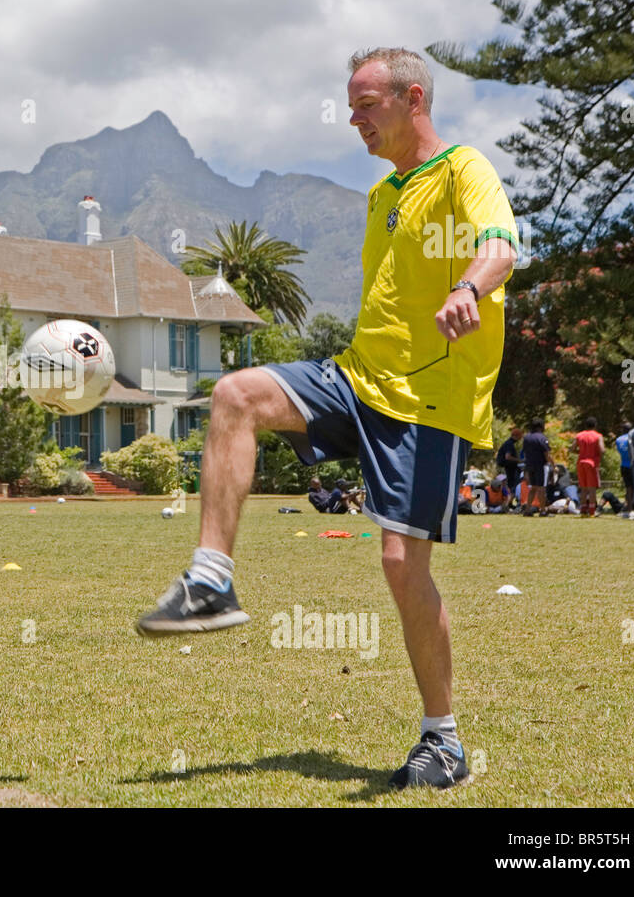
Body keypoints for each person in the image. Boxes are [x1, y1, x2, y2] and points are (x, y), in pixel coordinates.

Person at [136, 48, 519, 790]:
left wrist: (469, 288)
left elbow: (500, 245)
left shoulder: (463, 170)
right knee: (236, 396)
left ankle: (443, 742)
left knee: (402, 567)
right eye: (350, 106)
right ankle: (211, 579)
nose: (353, 119)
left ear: (413, 98)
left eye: (366, 103)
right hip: (355, 378)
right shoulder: (383, 195)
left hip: (429, 402)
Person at [572, 417, 604, 516]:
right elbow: (602, 450)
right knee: (592, 488)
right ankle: (591, 511)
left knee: (583, 488)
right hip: (592, 463)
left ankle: (582, 510)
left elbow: (572, 448)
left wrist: (581, 452)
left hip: (581, 462)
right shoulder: (598, 436)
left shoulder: (579, 435)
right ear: (595, 425)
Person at [521, 419, 551, 516]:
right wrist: (551, 464)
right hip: (540, 465)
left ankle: (527, 510)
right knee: (541, 488)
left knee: (533, 488)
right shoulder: (542, 438)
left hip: (529, 465)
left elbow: (525, 452)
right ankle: (542, 511)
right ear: (541, 426)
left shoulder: (526, 438)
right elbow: (546, 453)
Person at [496, 427, 523, 509]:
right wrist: (520, 461)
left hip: (508, 468)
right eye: (520, 436)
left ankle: (509, 504)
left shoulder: (508, 443)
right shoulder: (509, 444)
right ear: (516, 436)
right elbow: (508, 457)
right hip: (509, 468)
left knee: (511, 486)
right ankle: (507, 505)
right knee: (512, 486)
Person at [615, 421, 634, 516]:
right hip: (633, 465)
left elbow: (619, 451)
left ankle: (629, 507)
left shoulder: (618, 440)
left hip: (623, 465)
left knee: (628, 488)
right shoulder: (633, 438)